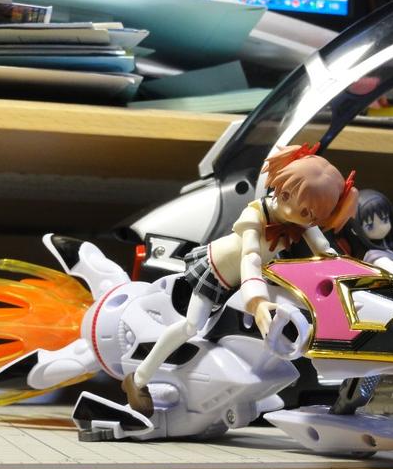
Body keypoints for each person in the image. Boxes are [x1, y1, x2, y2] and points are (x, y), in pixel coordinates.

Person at [122, 143, 358, 416]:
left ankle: (248, 389)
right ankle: (138, 379)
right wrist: (257, 302)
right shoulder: (255, 214)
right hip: (217, 272)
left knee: (259, 330)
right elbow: (250, 257)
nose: (309, 220)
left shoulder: (301, 221)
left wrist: (344, 268)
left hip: (250, 281)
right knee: (192, 327)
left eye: (315, 216)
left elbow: (323, 248)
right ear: (284, 193)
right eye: (306, 212)